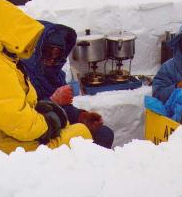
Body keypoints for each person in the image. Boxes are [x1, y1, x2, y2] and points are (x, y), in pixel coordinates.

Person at [0, 0, 92, 154]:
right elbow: (17, 120)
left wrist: (49, 110)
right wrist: (49, 123)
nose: (52, 58)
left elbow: (19, 106)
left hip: (14, 137)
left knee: (79, 130)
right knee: (80, 135)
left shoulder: (7, 61)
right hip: (9, 146)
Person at [21, 20, 114, 149]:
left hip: (54, 125)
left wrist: (81, 116)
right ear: (37, 49)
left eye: (58, 55)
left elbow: (63, 109)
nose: (53, 59)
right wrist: (53, 101)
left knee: (104, 134)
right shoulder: (22, 73)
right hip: (36, 135)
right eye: (48, 52)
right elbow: (22, 118)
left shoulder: (55, 74)